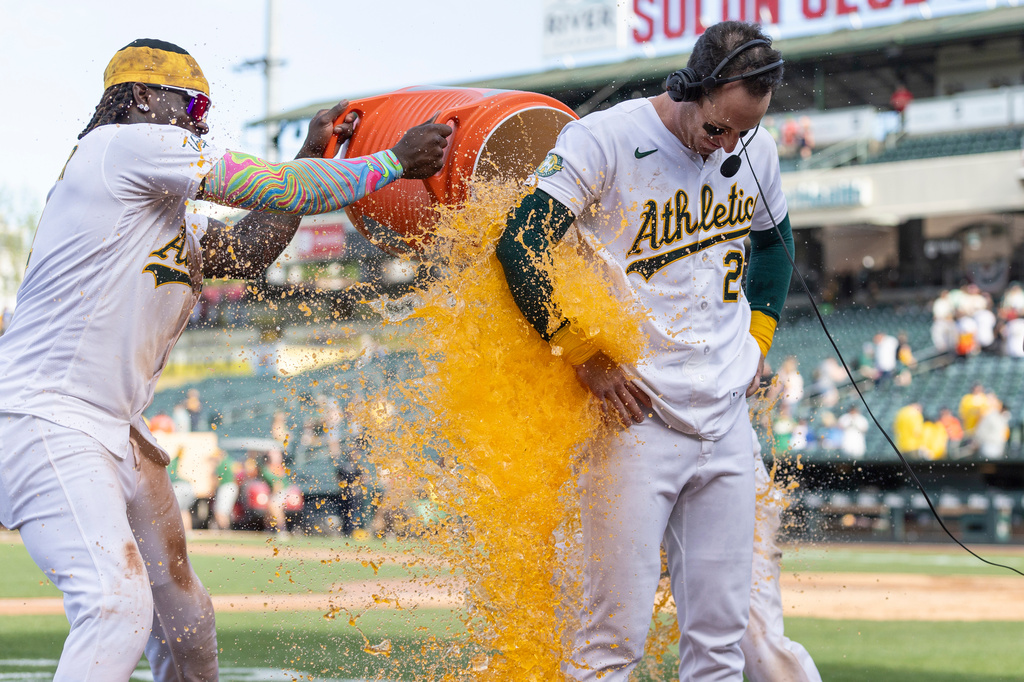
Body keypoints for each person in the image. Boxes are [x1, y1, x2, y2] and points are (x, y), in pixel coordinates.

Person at [0, 38, 451, 681]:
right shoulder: (121, 145)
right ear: (141, 97)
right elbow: (262, 184)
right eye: (190, 102)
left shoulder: (156, 207)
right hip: (49, 414)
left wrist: (309, 156)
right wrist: (392, 161)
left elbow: (244, 254)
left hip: (112, 426)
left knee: (187, 622)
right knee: (114, 604)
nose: (200, 120)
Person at [496, 21, 817, 681]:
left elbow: (774, 247)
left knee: (722, 646)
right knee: (610, 645)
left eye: (744, 132)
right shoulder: (605, 139)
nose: (728, 147)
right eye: (718, 129)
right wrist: (582, 352)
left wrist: (758, 339)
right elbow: (519, 245)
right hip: (632, 420)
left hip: (726, 422)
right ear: (690, 87)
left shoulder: (754, 149)